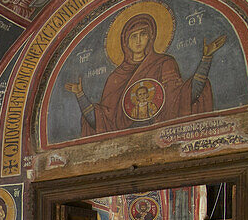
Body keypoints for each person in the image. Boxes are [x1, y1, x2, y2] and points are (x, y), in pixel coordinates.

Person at [64, 10, 224, 135]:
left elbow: (183, 97)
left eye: (143, 34)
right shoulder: (115, 77)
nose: (138, 40)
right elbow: (102, 121)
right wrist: (80, 95)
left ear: (151, 37)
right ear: (125, 42)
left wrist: (206, 59)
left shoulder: (165, 63)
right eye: (133, 36)